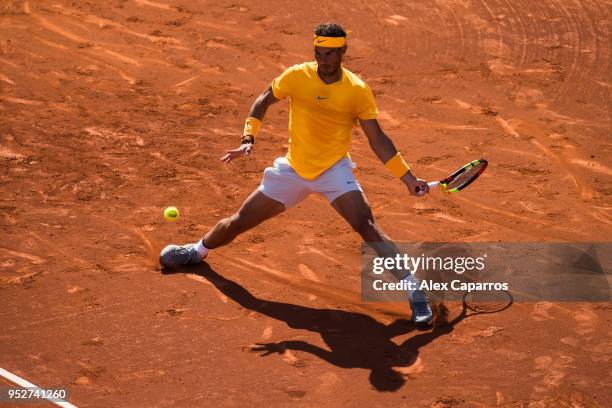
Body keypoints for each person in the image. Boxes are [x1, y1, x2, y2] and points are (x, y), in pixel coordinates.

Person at [160, 23, 433, 325]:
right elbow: (264, 99)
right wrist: (248, 138)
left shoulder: (356, 91)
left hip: (333, 170)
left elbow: (377, 139)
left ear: (344, 51)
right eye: (318, 53)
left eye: (330, 54)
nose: (324, 60)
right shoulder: (296, 76)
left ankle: (414, 290)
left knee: (367, 226)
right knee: (240, 221)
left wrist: (407, 177)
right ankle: (196, 251)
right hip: (293, 169)